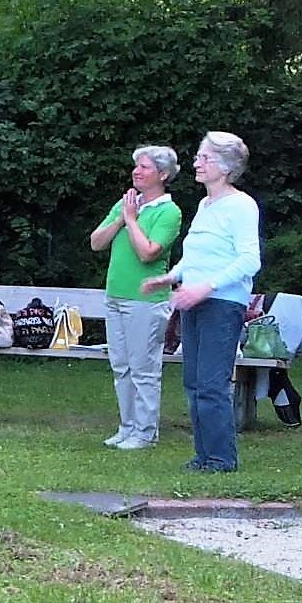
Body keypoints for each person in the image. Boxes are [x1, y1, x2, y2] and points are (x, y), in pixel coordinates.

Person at [141, 131, 261, 473]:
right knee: (193, 383)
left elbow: (250, 260)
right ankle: (203, 457)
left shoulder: (241, 206)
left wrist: (206, 288)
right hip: (194, 301)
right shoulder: (205, 205)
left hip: (221, 304)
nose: (197, 162)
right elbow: (196, 256)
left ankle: (222, 459)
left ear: (225, 167)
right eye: (198, 156)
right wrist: (171, 277)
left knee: (211, 384)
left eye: (204, 157)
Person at [89, 145, 184, 450]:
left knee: (144, 369)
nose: (136, 171)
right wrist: (122, 217)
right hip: (115, 296)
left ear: (163, 175)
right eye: (136, 166)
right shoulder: (127, 203)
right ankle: (127, 427)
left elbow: (148, 253)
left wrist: (131, 219)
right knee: (121, 366)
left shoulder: (169, 211)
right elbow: (96, 242)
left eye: (144, 167)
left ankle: (145, 433)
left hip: (146, 301)